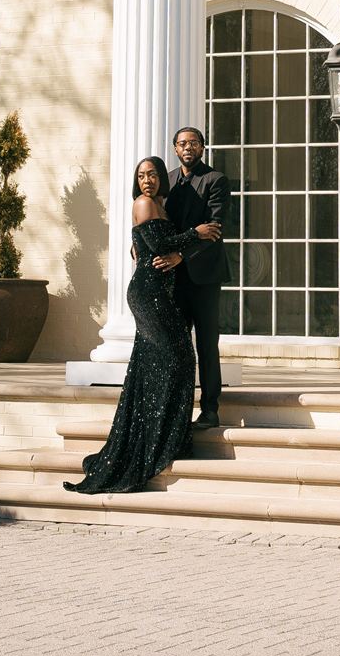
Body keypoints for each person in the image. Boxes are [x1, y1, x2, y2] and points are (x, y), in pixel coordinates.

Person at [64, 156, 222, 496]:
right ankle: (160, 439)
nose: (146, 180)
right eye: (141, 175)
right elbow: (159, 246)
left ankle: (164, 437)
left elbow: (147, 244)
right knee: (177, 357)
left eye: (151, 174)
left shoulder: (162, 205)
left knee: (163, 362)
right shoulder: (143, 203)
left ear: (161, 177)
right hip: (148, 293)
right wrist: (195, 234)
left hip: (162, 293)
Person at [155, 125, 229, 429]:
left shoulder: (215, 181)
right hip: (173, 278)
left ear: (202, 147)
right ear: (175, 149)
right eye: (183, 143)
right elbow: (157, 224)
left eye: (194, 143)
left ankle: (210, 409)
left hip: (205, 277)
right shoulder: (166, 182)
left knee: (207, 345)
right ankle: (178, 409)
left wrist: (181, 255)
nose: (188, 148)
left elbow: (214, 229)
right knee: (178, 345)